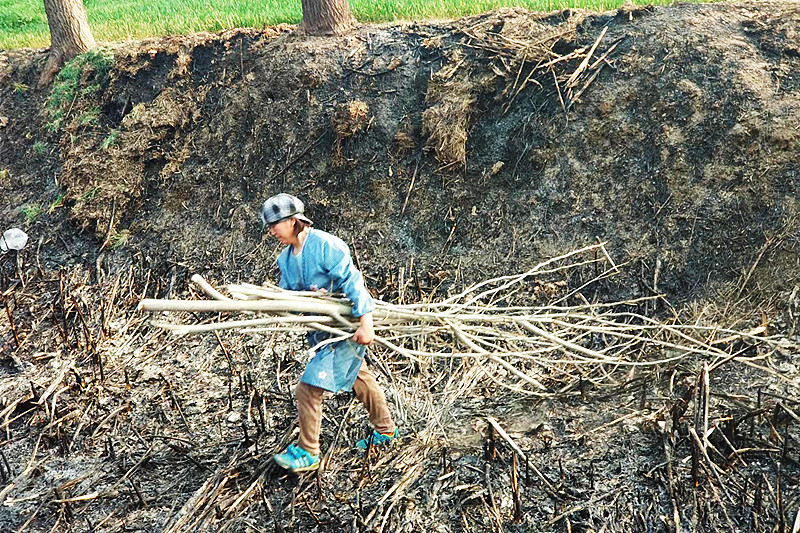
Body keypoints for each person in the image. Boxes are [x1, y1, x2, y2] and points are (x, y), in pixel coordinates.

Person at [261, 193, 398, 473]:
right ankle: (385, 432)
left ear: (294, 221)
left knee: (307, 390)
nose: (272, 230)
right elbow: (290, 297)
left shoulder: (326, 245)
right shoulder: (286, 259)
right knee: (360, 377)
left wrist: (365, 322)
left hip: (343, 330)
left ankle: (309, 452)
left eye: (276, 224)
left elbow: (353, 282)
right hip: (322, 333)